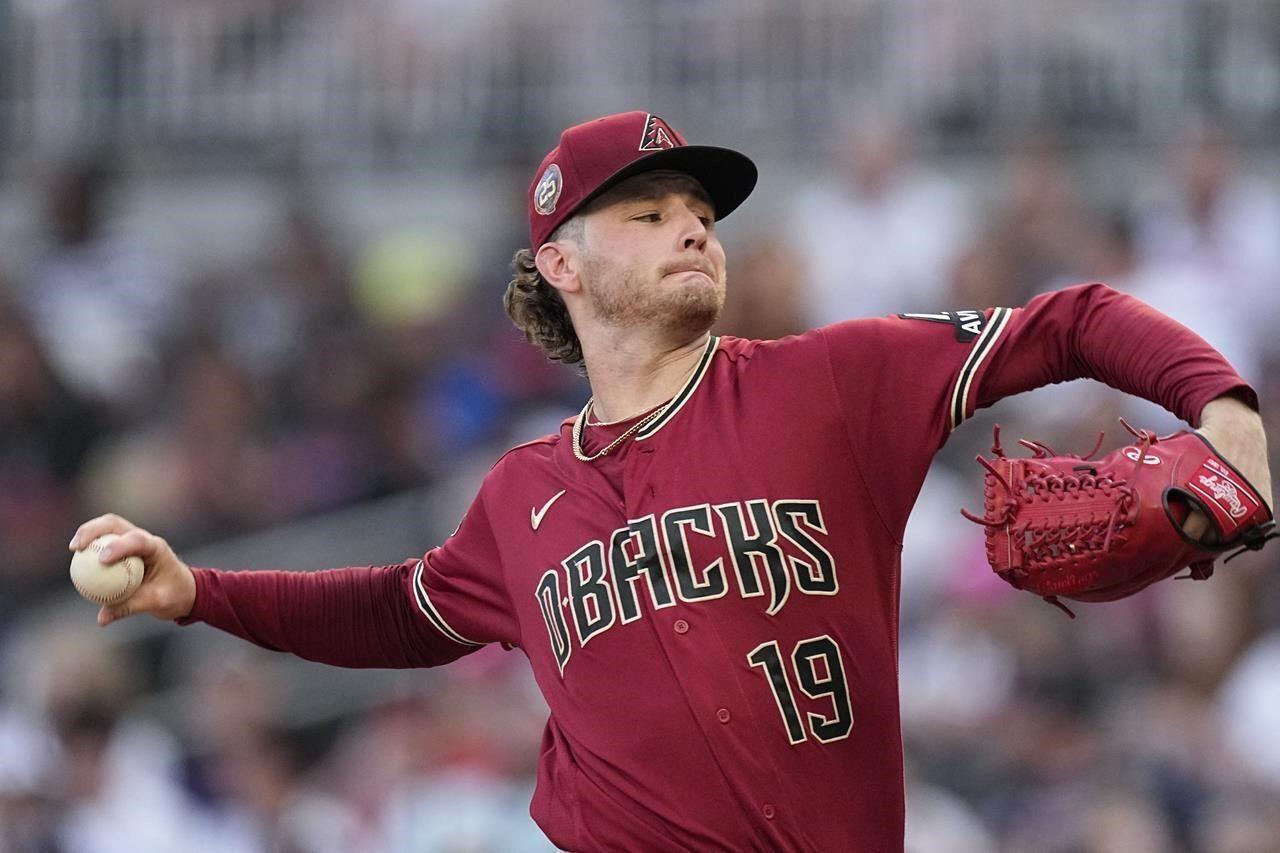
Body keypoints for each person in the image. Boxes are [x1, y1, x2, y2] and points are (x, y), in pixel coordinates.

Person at [70, 111, 1272, 851]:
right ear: (563, 264)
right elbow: (400, 610)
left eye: (700, 210)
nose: (693, 228)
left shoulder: (830, 382)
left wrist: (1224, 410)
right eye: (647, 213)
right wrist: (197, 593)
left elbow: (1067, 319)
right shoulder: (519, 495)